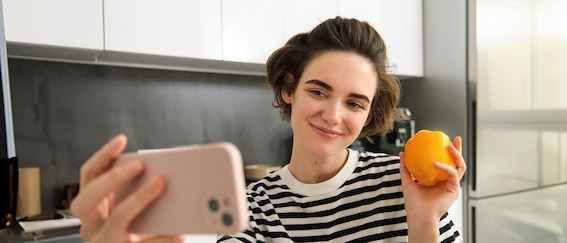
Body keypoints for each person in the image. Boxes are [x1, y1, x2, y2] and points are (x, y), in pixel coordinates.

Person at [70, 16, 466, 243]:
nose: (333, 115)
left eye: (354, 102)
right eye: (318, 91)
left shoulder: (404, 185)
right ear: (288, 88)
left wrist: (423, 222)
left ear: (368, 114)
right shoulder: (254, 208)